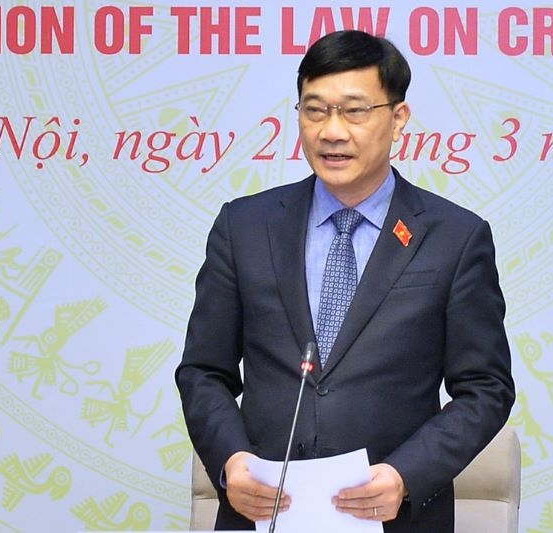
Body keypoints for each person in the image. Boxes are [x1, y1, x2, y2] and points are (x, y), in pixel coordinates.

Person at [176, 29, 515, 532]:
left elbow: (486, 388)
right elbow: (203, 371)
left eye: (355, 111)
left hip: (393, 519)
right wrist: (231, 461)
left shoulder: (455, 237)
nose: (332, 132)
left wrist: (406, 475)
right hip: (264, 516)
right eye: (315, 111)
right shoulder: (244, 226)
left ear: (398, 118)